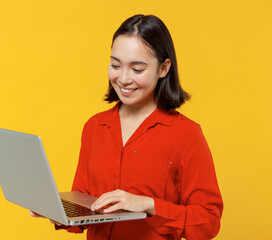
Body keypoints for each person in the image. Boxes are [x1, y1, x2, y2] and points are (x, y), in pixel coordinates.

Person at [30, 14, 223, 240]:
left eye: (137, 69)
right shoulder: (94, 127)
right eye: (115, 65)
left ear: (163, 68)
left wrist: (148, 204)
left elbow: (208, 222)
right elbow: (84, 203)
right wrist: (61, 213)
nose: (123, 78)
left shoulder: (186, 134)